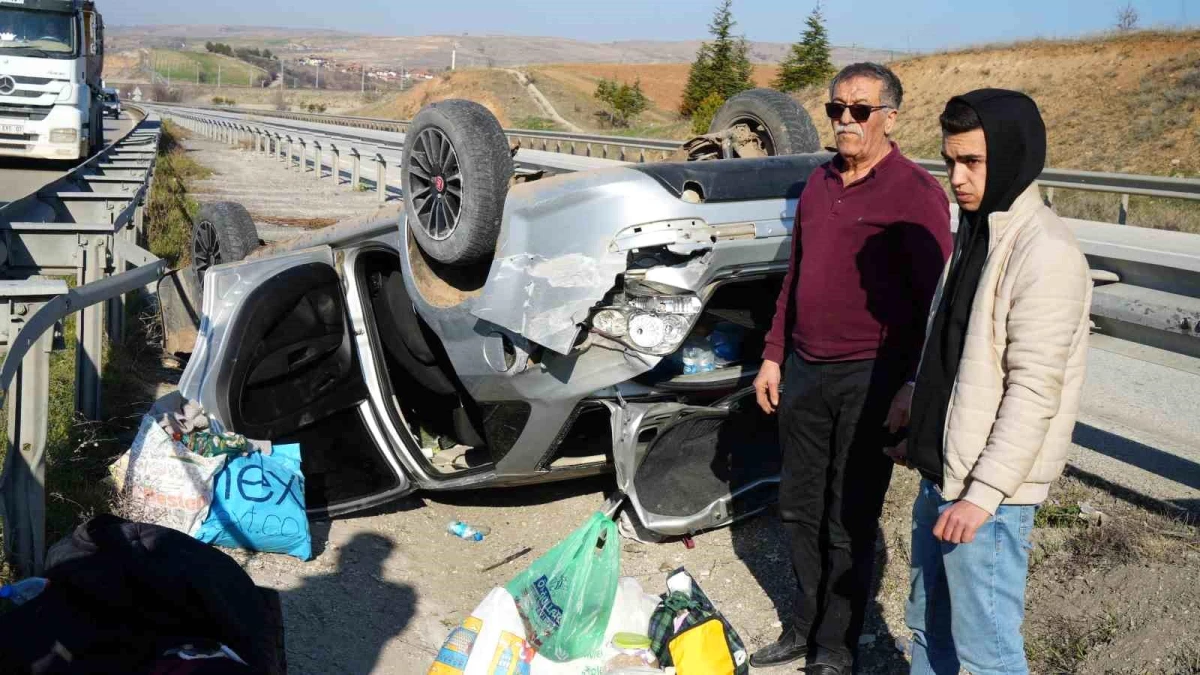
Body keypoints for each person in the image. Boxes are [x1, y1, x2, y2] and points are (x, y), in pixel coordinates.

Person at [751, 62, 951, 673]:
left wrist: (913, 385)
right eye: (836, 108)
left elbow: (933, 307)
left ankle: (836, 645)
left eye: (859, 110)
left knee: (849, 514)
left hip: (871, 378)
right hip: (805, 371)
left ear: (890, 116)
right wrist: (773, 353)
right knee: (798, 505)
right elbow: (796, 278)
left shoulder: (915, 194)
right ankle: (805, 626)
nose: (844, 120)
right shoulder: (817, 184)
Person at [887, 90, 1092, 675]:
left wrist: (982, 496)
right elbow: (955, 351)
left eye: (971, 162)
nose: (956, 177)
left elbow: (1034, 391)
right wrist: (916, 417)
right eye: (950, 161)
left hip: (987, 498)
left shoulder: (1043, 251)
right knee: (928, 631)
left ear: (1010, 157)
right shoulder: (978, 233)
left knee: (988, 656)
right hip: (944, 476)